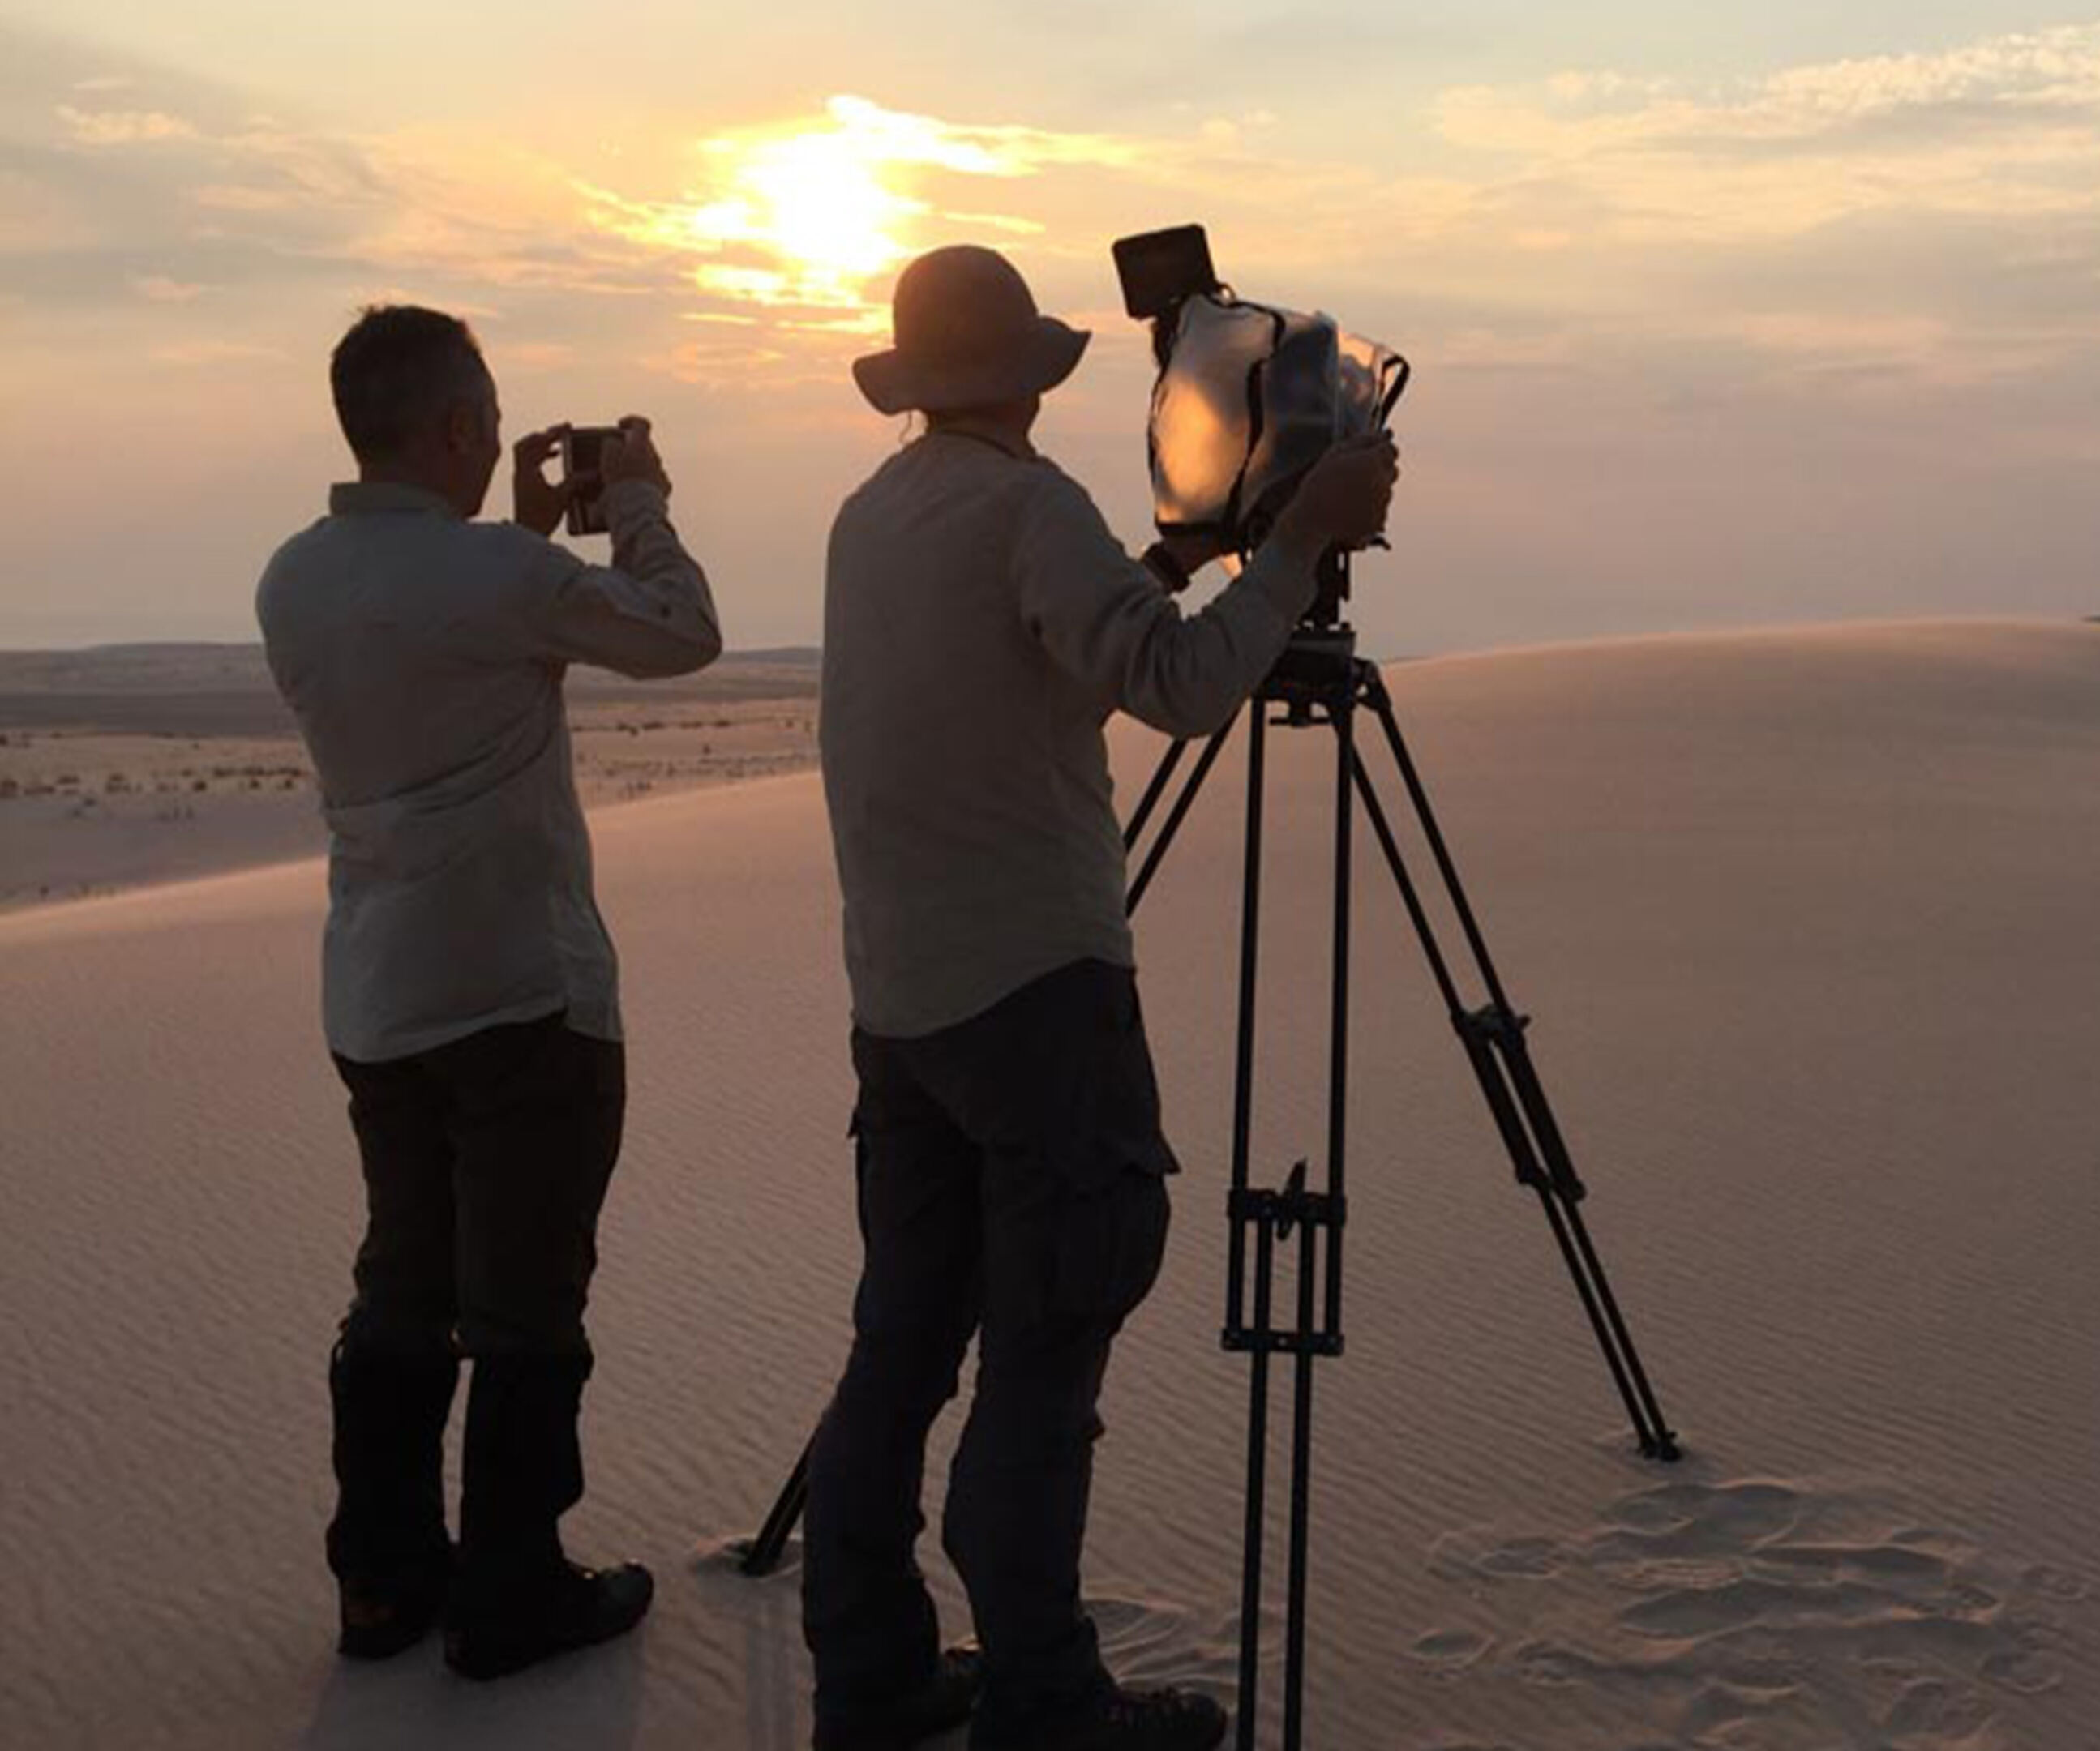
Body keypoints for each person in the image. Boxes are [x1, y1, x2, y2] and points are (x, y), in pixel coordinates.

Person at [800, 245, 1396, 1751]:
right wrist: (1295, 543)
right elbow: (1189, 692)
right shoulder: (1025, 507)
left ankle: (869, 1676)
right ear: (1028, 377)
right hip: (1036, 997)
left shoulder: (873, 519)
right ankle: (1044, 1699)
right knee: (1049, 1341)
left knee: (905, 1340)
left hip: (906, 1003)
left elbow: (1045, 658)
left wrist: (1179, 567)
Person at [255, 305, 722, 1679]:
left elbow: (447, 600)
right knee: (528, 1311)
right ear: (459, 426)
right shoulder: (495, 578)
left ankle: (383, 1585)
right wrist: (634, 505)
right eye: (493, 417)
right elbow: (684, 632)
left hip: (379, 997)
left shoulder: (292, 578)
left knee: (401, 1283)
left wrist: (513, 534)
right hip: (522, 996)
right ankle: (513, 1591)